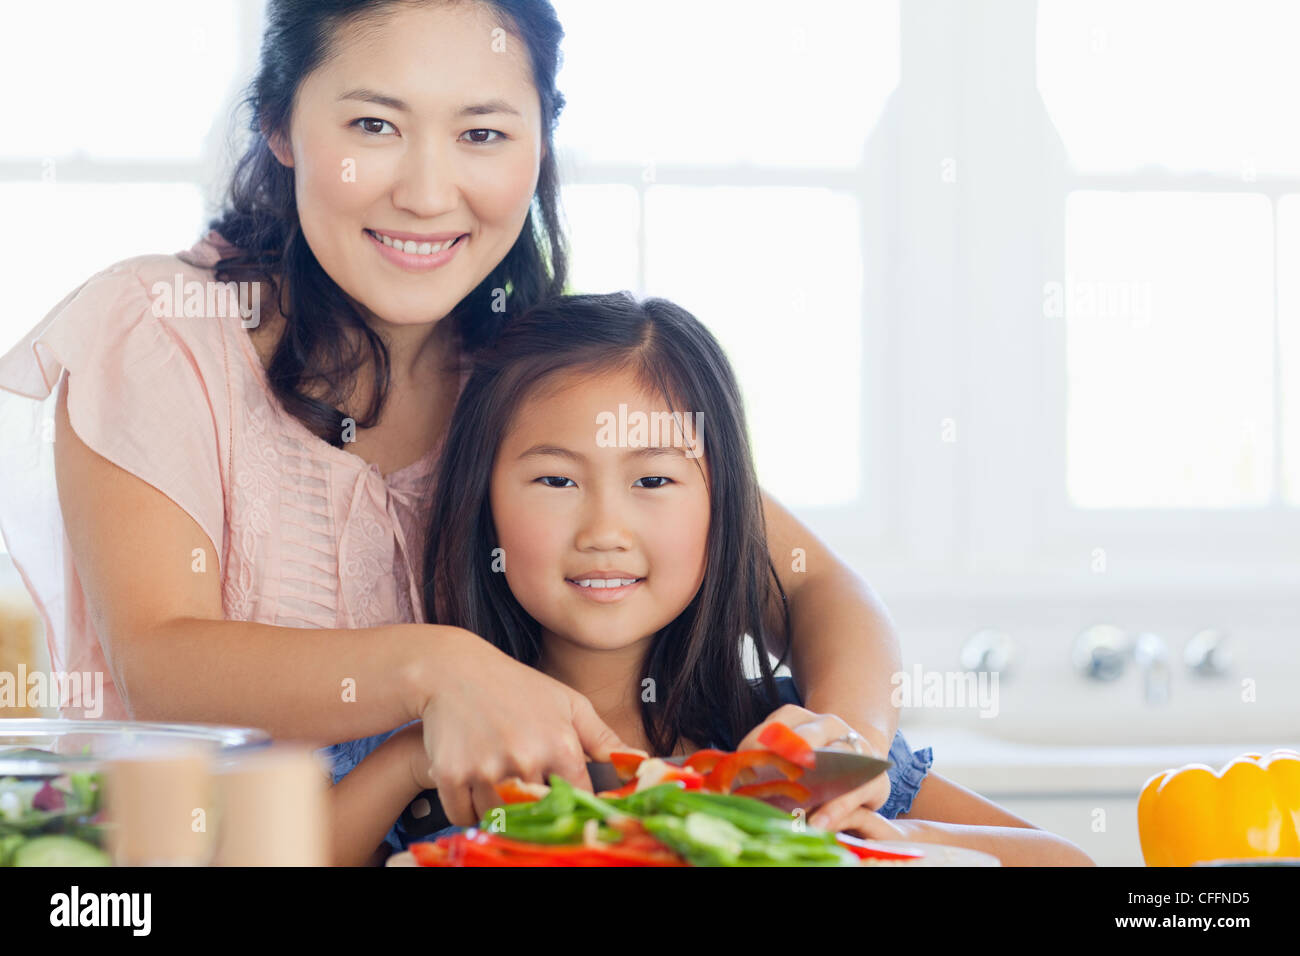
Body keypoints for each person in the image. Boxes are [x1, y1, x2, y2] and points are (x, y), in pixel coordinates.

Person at [0, 0, 900, 846]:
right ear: (278, 126)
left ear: (540, 142)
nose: (429, 195)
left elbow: (812, 583)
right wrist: (435, 670)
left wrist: (842, 746)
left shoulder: (529, 378)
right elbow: (163, 662)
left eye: (482, 134)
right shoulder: (161, 329)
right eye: (374, 127)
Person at [329, 292, 1095, 866]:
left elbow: (1073, 862)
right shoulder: (443, 758)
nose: (604, 530)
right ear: (481, 501)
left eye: (655, 482)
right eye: (556, 482)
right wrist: (409, 759)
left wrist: (884, 842)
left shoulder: (785, 748)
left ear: (723, 510)